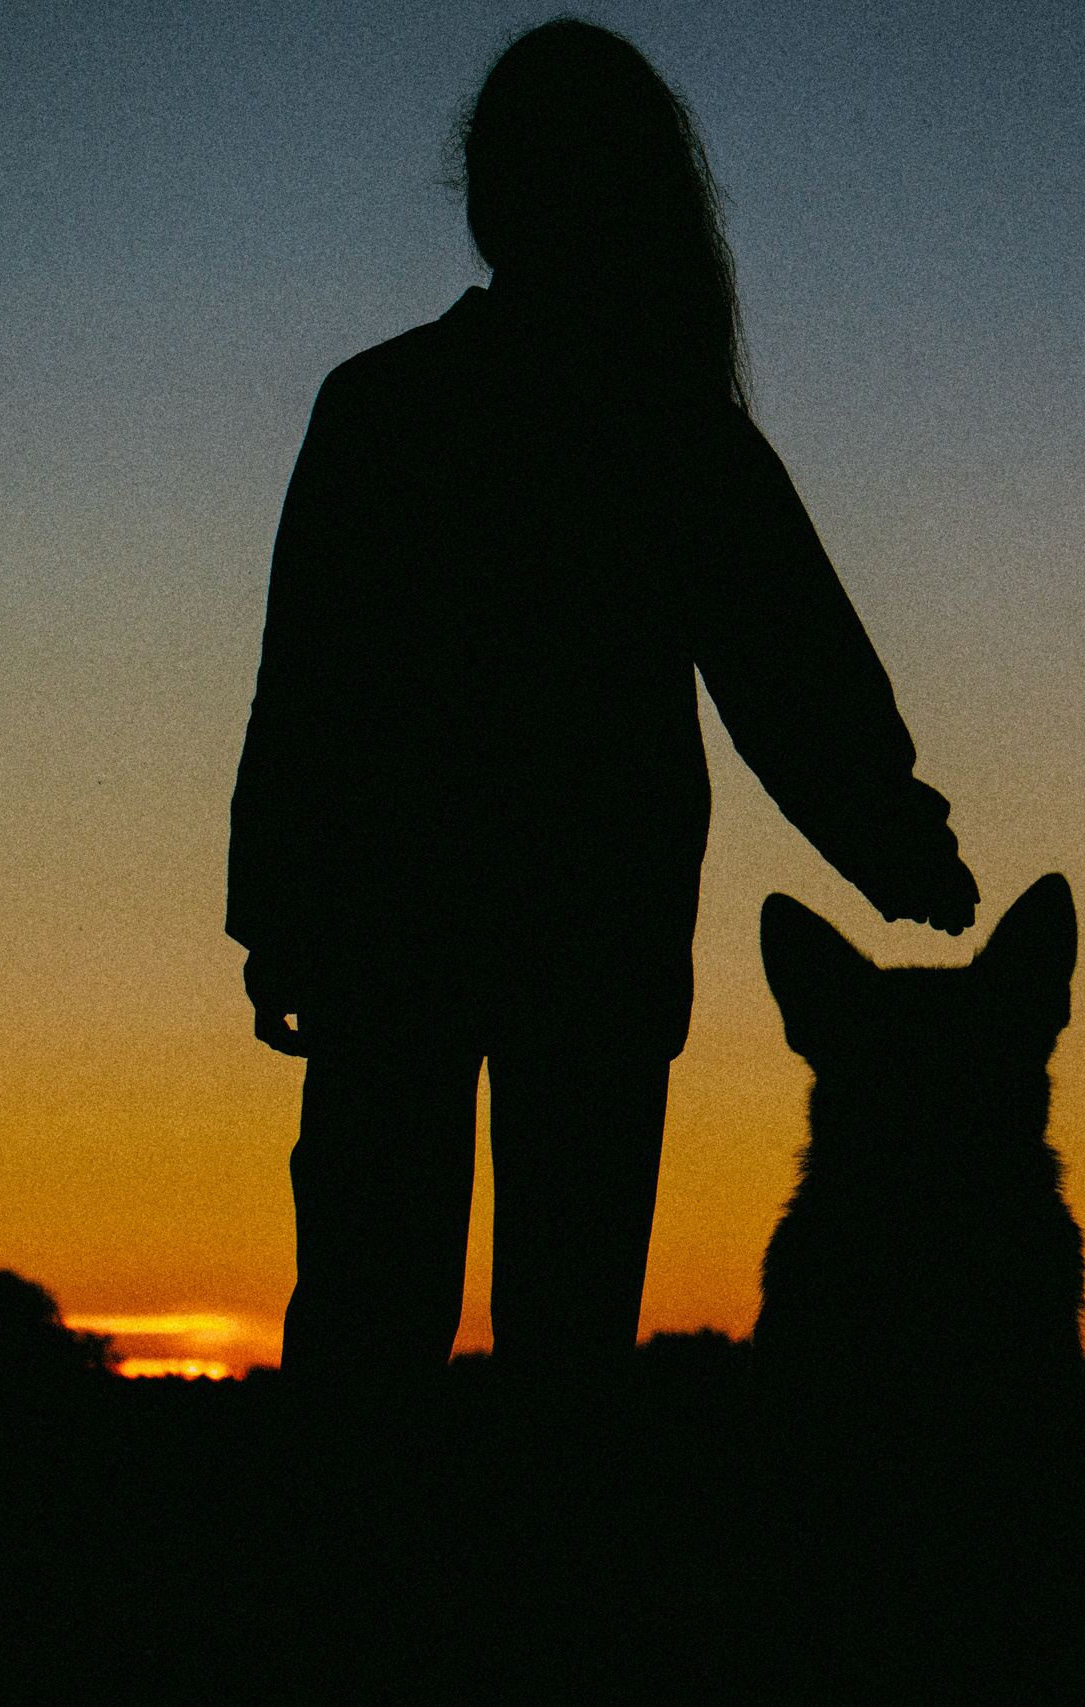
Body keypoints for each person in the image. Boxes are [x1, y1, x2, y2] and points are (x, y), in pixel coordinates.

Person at [227, 20, 978, 1398]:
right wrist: (894, 836)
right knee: (559, 1342)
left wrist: (278, 916)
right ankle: (537, 1598)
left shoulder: (385, 408)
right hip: (590, 924)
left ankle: (346, 1601)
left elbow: (307, 696)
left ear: (488, 193)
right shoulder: (669, 425)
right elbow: (788, 670)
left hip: (405, 924)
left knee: (371, 1327)